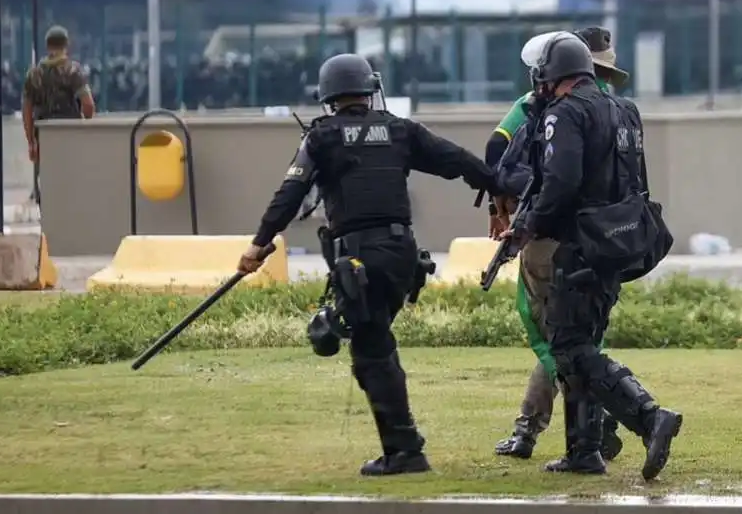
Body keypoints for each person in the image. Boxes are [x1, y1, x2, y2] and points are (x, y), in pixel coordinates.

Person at [236, 53, 504, 477]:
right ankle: (404, 445)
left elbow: (289, 195)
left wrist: (258, 245)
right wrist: (497, 190)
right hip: (401, 257)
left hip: (360, 259)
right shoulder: (399, 130)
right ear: (369, 88)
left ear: (328, 97)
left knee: (372, 351)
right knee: (373, 345)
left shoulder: (321, 138)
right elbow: (458, 161)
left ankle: (405, 452)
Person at [499, 30, 681, 480]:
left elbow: (560, 184)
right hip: (618, 240)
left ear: (550, 72)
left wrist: (527, 226)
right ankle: (584, 451)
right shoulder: (625, 109)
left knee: (569, 346)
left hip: (578, 243)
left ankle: (647, 415)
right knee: (580, 339)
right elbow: (635, 179)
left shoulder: (564, 112)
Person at [490, 27, 627, 462]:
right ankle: (543, 431)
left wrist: (523, 212)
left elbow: (499, 156)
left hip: (552, 237)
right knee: (576, 338)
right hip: (603, 239)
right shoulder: (618, 108)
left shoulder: (548, 108)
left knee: (554, 338)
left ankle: (602, 413)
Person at [22, 25, 96, 203]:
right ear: (66, 45)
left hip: (44, 137)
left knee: (46, 187)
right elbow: (88, 105)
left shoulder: (33, 74)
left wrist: (31, 142)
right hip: (70, 135)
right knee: (73, 184)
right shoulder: (73, 71)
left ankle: (47, 226)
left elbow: (27, 110)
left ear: (48, 46)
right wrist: (86, 121)